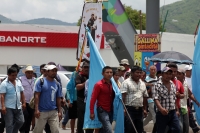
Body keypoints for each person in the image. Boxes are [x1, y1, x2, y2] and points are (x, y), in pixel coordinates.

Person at [33, 65, 62, 133]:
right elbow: (37, 96)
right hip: (42, 111)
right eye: (52, 71)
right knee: (38, 131)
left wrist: (60, 111)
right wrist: (36, 109)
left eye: (55, 71)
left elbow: (58, 98)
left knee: (55, 130)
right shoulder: (41, 82)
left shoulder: (57, 84)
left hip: (53, 111)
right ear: (47, 72)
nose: (54, 72)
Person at [121, 65, 148, 133]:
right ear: (132, 73)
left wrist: (145, 109)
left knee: (139, 129)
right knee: (129, 128)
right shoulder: (126, 82)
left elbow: (145, 96)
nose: (139, 74)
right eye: (137, 72)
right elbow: (123, 96)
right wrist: (124, 109)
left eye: (140, 72)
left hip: (139, 110)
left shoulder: (142, 83)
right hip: (129, 109)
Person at [152, 67, 180, 133]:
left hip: (172, 112)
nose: (168, 75)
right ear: (162, 74)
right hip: (162, 113)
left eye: (170, 74)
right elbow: (156, 99)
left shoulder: (172, 84)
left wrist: (177, 110)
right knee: (160, 130)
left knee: (177, 129)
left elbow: (174, 98)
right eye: (166, 73)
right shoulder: (157, 85)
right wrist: (161, 109)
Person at [0, 67, 26, 133]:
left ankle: (13, 131)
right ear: (8, 74)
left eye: (15, 75)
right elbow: (2, 95)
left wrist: (24, 102)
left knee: (21, 121)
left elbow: (22, 92)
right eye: (13, 75)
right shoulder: (4, 83)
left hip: (18, 106)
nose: (14, 77)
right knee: (9, 124)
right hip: (8, 107)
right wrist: (3, 106)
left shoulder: (18, 81)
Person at [90, 66, 115, 133]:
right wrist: (92, 112)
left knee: (104, 130)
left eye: (111, 72)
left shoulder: (114, 84)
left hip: (111, 110)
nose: (109, 74)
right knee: (109, 129)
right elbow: (93, 98)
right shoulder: (98, 85)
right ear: (103, 74)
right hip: (102, 110)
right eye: (107, 72)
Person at [177, 68, 200, 133]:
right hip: (178, 108)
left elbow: (189, 94)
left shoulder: (185, 83)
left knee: (185, 127)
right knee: (180, 127)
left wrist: (196, 101)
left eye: (179, 74)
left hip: (185, 108)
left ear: (183, 75)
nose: (177, 75)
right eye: (177, 74)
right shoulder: (175, 83)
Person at [75, 61, 93, 133]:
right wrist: (87, 82)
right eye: (85, 67)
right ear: (82, 68)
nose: (86, 69)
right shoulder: (79, 76)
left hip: (90, 100)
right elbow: (78, 87)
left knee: (90, 117)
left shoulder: (92, 76)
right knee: (81, 119)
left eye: (88, 67)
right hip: (81, 100)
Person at [167, 63, 184, 133]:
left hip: (176, 109)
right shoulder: (163, 82)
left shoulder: (178, 82)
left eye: (175, 71)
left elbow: (183, 95)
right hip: (165, 110)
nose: (173, 73)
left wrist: (179, 95)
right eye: (171, 71)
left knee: (179, 128)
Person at [19, 65, 35, 133]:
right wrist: (22, 102)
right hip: (24, 102)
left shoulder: (35, 80)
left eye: (31, 72)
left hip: (32, 103)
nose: (30, 74)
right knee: (25, 116)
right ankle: (22, 130)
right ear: (25, 73)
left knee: (30, 117)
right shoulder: (21, 79)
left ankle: (27, 130)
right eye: (28, 72)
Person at [184, 65, 200, 133]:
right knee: (189, 114)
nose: (190, 72)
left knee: (191, 114)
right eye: (189, 71)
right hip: (187, 100)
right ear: (186, 71)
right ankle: (195, 128)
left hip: (193, 98)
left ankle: (195, 127)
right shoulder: (184, 79)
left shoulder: (193, 79)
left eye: (191, 71)